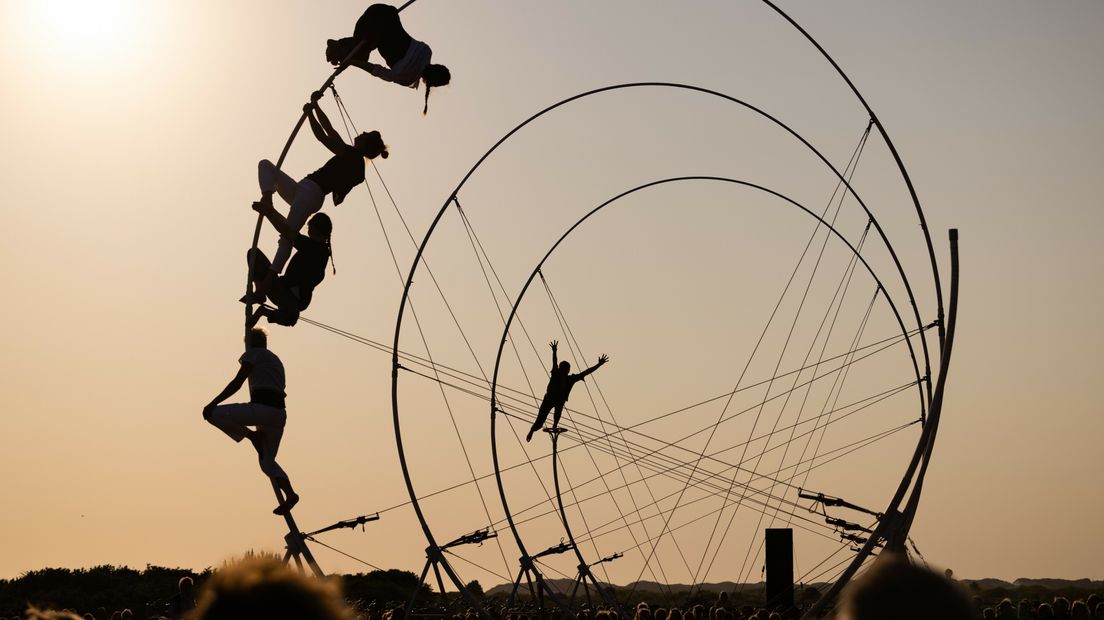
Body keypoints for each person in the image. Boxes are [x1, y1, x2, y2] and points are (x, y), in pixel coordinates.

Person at [253, 93, 386, 299]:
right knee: (266, 166)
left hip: (311, 193)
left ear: (365, 144)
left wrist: (310, 112)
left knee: (287, 237)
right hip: (304, 189)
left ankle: (266, 284)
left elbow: (324, 135)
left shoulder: (352, 156)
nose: (360, 133)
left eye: (364, 134)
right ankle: (268, 199)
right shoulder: (356, 165)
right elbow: (329, 130)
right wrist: (314, 107)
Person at [203, 327, 299, 515]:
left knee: (214, 414)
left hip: (261, 409)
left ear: (249, 343)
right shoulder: (275, 359)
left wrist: (213, 402)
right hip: (279, 414)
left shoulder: (253, 354)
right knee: (267, 463)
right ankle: (290, 494)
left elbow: (237, 383)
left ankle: (252, 436)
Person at [325, 3, 451, 113]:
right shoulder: (408, 78)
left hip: (383, 11)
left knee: (363, 47)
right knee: (361, 56)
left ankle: (338, 47)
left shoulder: (427, 51)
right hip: (374, 26)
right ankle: (336, 49)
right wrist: (351, 62)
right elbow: (376, 70)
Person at [245, 203, 333, 328]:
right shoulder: (316, 248)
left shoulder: (315, 249)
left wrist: (268, 212)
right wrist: (271, 211)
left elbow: (286, 231)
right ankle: (260, 291)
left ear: (316, 229)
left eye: (309, 227)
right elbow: (288, 228)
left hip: (292, 298)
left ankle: (263, 309)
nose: (307, 229)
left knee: (291, 317)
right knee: (253, 254)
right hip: (280, 289)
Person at [526, 340, 609, 442]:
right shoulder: (555, 373)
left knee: (558, 412)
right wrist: (554, 351)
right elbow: (554, 362)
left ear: (568, 370)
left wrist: (599, 364)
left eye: (565, 370)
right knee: (539, 421)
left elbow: (586, 372)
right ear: (560, 369)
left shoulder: (570, 379)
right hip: (548, 399)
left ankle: (555, 424)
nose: (564, 372)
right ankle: (532, 430)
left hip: (559, 400)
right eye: (562, 369)